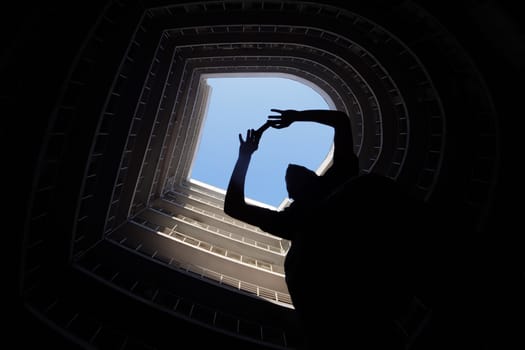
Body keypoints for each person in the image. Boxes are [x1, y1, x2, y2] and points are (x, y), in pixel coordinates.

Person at [224, 109, 421, 349]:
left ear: (315, 177)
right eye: (291, 180)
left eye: (301, 173)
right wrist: (245, 156)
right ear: (292, 195)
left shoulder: (339, 178)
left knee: (367, 186)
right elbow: (234, 207)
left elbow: (340, 121)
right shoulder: (293, 219)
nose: (293, 174)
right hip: (335, 302)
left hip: (373, 268)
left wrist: (296, 116)